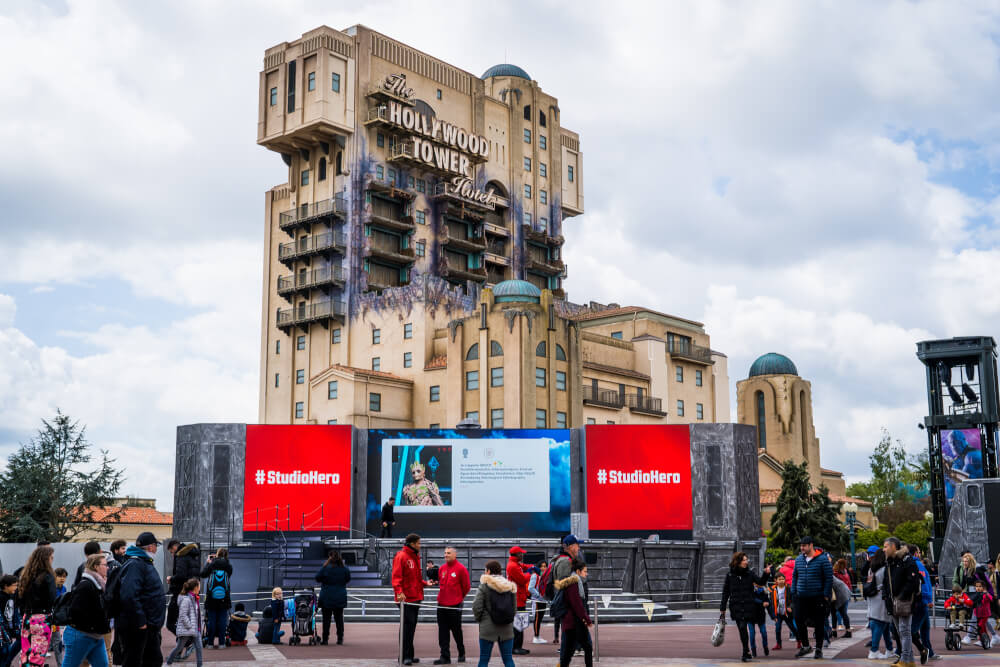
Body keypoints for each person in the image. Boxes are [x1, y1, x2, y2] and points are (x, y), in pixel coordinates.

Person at [116, 532, 165, 667]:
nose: (156, 549)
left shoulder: (143, 563)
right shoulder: (136, 564)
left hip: (148, 626)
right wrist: (140, 621)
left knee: (152, 660)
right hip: (139, 627)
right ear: (150, 547)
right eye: (156, 546)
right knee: (136, 661)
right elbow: (129, 595)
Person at [719, 551, 771, 663]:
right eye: (744, 560)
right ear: (738, 562)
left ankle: (745, 652)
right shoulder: (730, 575)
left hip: (748, 606)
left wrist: (766, 574)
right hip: (736, 606)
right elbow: (725, 592)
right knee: (742, 628)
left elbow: (761, 582)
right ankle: (746, 651)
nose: (746, 561)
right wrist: (722, 608)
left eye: (747, 559)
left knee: (743, 626)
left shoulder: (750, 574)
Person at [62, 554, 111, 667]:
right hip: (81, 635)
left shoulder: (100, 585)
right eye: (105, 565)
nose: (108, 567)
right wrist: (96, 623)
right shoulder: (86, 585)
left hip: (96, 636)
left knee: (102, 664)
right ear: (96, 567)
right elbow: (75, 611)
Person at [883, 537, 922, 667]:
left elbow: (913, 581)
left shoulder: (907, 560)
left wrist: (902, 595)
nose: (884, 549)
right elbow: (886, 581)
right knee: (901, 632)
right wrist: (886, 595)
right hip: (892, 601)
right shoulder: (889, 562)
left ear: (893, 547)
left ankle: (906, 660)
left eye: (886, 546)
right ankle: (909, 660)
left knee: (904, 631)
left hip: (904, 602)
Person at [791, 536, 832, 660]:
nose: (802, 548)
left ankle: (818, 649)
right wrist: (794, 592)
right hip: (801, 597)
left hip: (817, 597)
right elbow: (795, 576)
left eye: (804, 546)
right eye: (801, 546)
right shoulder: (798, 559)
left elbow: (828, 578)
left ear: (811, 545)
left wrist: (825, 595)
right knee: (798, 620)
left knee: (819, 623)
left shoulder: (823, 560)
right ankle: (806, 646)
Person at [18, 545, 56, 667]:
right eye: (51, 557)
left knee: (26, 654)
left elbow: (20, 598)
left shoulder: (26, 575)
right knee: (37, 656)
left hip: (27, 617)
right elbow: (52, 598)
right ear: (46, 559)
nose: (52, 559)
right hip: (42, 618)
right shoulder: (48, 576)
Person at [471, 560, 515, 667]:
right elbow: (514, 608)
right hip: (506, 627)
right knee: (508, 658)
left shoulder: (484, 586)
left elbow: (476, 606)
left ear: (489, 571)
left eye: (485, 570)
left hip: (488, 627)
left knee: (484, 659)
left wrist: (480, 619)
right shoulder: (510, 586)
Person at [392, 533, 426, 666]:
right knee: (407, 627)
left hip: (415, 597)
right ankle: (404, 656)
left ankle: (409, 655)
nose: (420, 546)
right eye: (418, 543)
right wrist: (399, 592)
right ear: (412, 544)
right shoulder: (401, 556)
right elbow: (396, 577)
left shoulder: (414, 557)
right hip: (406, 599)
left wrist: (424, 583)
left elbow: (415, 578)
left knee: (410, 627)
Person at [434, 546, 470, 665]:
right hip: (441, 605)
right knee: (442, 632)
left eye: (448, 553)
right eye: (445, 553)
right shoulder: (442, 569)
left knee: (456, 631)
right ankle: (445, 656)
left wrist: (458, 598)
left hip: (455, 605)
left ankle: (461, 652)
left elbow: (466, 587)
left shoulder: (461, 569)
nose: (446, 555)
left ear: (455, 555)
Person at [557, 560, 594, 667]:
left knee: (569, 652)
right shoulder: (574, 583)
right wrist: (586, 619)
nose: (586, 574)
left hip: (572, 621)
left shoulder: (574, 582)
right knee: (585, 647)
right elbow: (577, 604)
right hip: (574, 622)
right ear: (578, 571)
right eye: (585, 571)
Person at [550, 535, 583, 644]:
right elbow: (564, 583)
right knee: (568, 626)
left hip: (568, 601)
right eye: (576, 545)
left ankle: (570, 647)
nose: (578, 548)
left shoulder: (567, 560)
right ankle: (567, 649)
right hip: (567, 602)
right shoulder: (565, 561)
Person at [909, 545, 940, 660]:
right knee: (914, 629)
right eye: (918, 552)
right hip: (921, 600)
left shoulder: (910, 564)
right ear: (916, 553)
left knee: (925, 627)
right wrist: (928, 600)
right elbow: (925, 583)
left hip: (917, 600)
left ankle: (930, 652)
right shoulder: (918, 565)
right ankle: (903, 651)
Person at [315, 551, 351, 646]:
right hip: (339, 596)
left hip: (326, 596)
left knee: (326, 619)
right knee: (339, 619)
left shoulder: (325, 568)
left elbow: (317, 578)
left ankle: (325, 639)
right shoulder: (344, 569)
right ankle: (340, 639)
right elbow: (348, 579)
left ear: (330, 558)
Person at [165, 540, 200, 638]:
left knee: (170, 622)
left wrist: (171, 579)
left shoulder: (181, 556)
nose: (172, 554)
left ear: (175, 547)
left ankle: (185, 641)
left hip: (181, 592)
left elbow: (181, 575)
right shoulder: (193, 556)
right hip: (192, 592)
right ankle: (188, 641)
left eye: (171, 552)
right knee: (187, 619)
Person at [199, 548, 233, 649]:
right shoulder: (228, 566)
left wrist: (208, 563)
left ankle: (210, 643)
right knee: (223, 620)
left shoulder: (212, 564)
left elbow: (203, 574)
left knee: (211, 620)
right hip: (224, 597)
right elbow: (229, 577)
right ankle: (222, 643)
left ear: (217, 555)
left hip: (211, 597)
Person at [865, 548, 895, 659]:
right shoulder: (884, 569)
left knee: (884, 623)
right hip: (881, 598)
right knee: (880, 623)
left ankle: (889, 649)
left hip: (873, 598)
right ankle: (874, 650)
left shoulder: (872, 569)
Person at [164, 579, 201, 667]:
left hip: (195, 629)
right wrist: (190, 626)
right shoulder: (186, 599)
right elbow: (183, 615)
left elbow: (197, 614)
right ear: (195, 587)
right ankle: (169, 662)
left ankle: (200, 665)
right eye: (199, 586)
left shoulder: (195, 598)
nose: (200, 588)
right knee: (179, 647)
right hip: (187, 629)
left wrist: (199, 626)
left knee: (199, 648)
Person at [506, 547, 531, 656]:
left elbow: (524, 567)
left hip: (519, 599)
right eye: (521, 553)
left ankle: (517, 646)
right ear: (516, 555)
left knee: (519, 624)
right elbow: (522, 580)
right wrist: (530, 573)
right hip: (517, 600)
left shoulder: (515, 564)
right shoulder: (513, 566)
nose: (523, 555)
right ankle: (516, 647)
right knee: (518, 625)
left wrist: (533, 567)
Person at [768, 572, 794, 651]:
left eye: (783, 579)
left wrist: (790, 607)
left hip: (786, 612)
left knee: (792, 627)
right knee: (778, 628)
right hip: (778, 612)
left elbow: (793, 599)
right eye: (779, 579)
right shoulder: (772, 589)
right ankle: (778, 644)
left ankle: (799, 640)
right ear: (776, 580)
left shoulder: (788, 588)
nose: (782, 581)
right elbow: (771, 602)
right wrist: (773, 615)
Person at [0, 575, 19, 667]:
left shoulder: (12, 596)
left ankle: (6, 663)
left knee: (7, 651)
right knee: (4, 651)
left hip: (10, 627)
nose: (16, 587)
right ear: (6, 586)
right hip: (3, 630)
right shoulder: (1, 597)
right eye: (14, 585)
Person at [747, 582, 770, 658]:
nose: (758, 584)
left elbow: (768, 603)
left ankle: (765, 646)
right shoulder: (750, 590)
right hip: (750, 615)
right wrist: (762, 602)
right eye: (757, 583)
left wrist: (773, 616)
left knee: (764, 633)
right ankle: (753, 650)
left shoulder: (765, 592)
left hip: (760, 615)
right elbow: (752, 599)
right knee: (752, 634)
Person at [528, 562, 548, 644]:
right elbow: (530, 588)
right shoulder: (535, 576)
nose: (543, 568)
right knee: (537, 618)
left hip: (543, 600)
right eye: (542, 566)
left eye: (545, 566)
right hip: (537, 600)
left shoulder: (544, 576)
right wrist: (539, 596)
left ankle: (538, 636)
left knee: (540, 619)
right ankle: (535, 637)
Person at [830, 568, 852, 639]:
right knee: (834, 612)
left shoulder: (826, 576)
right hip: (842, 591)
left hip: (841, 594)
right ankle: (834, 631)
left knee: (842, 612)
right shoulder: (827, 574)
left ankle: (848, 632)